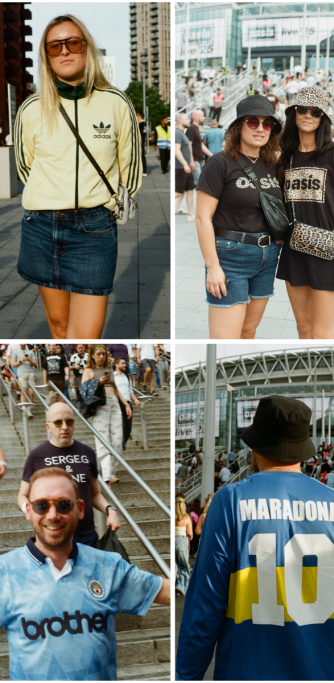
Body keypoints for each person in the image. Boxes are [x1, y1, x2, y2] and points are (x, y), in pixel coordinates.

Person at [176, 395, 334, 679]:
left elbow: (204, 610)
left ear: (255, 447)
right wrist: (313, 624)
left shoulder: (230, 501)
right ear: (302, 449)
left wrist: (187, 675)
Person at [13, 14, 141, 338]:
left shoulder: (116, 102)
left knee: (85, 336)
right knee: (58, 325)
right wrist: (49, 193)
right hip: (41, 227)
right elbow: (26, 167)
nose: (65, 51)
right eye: (55, 46)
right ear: (46, 56)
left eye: (73, 42)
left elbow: (131, 169)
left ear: (86, 48)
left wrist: (104, 204)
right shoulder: (30, 109)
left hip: (94, 230)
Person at [0, 467, 170, 679]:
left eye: (63, 505)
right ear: (28, 510)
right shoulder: (4, 572)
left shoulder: (108, 566)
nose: (53, 515)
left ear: (80, 509)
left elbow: (166, 591)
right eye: (41, 505)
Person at [275, 87, 334, 339]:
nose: (308, 116)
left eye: (315, 112)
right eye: (302, 110)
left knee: (322, 331)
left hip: (327, 249)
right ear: (293, 113)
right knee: (303, 328)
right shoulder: (286, 157)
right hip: (294, 248)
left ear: (323, 117)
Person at [195, 95, 284, 339]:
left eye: (268, 124)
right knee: (227, 339)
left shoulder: (274, 164)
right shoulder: (219, 163)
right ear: (238, 126)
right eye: (253, 122)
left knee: (248, 331)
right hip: (230, 255)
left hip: (268, 257)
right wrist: (213, 267)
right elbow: (202, 218)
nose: (261, 129)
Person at [17, 401, 122, 548]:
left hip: (86, 536)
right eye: (58, 422)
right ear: (49, 427)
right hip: (52, 534)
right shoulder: (36, 456)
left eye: (69, 421)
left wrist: (110, 510)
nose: (64, 427)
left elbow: (94, 493)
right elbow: (22, 495)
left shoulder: (87, 453)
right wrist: (32, 513)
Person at [81, 345, 130, 485]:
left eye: (103, 354)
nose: (102, 357)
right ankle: (107, 477)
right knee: (103, 441)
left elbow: (116, 389)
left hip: (114, 403)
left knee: (117, 441)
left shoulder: (109, 369)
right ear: (92, 355)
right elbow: (83, 390)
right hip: (100, 405)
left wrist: (126, 404)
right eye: (98, 354)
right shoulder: (89, 370)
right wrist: (97, 382)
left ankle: (112, 472)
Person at [112, 356, 140, 451]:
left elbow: (130, 391)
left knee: (128, 427)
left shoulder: (127, 377)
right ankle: (122, 446)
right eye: (123, 363)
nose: (125, 365)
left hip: (128, 403)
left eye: (125, 363)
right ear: (116, 364)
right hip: (117, 403)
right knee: (121, 425)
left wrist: (135, 399)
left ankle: (122, 444)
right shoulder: (112, 376)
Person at [175, 494, 193, 597]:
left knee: (174, 566)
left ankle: (173, 587)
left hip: (173, 539)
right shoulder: (186, 518)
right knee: (184, 566)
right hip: (182, 540)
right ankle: (181, 586)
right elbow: (190, 534)